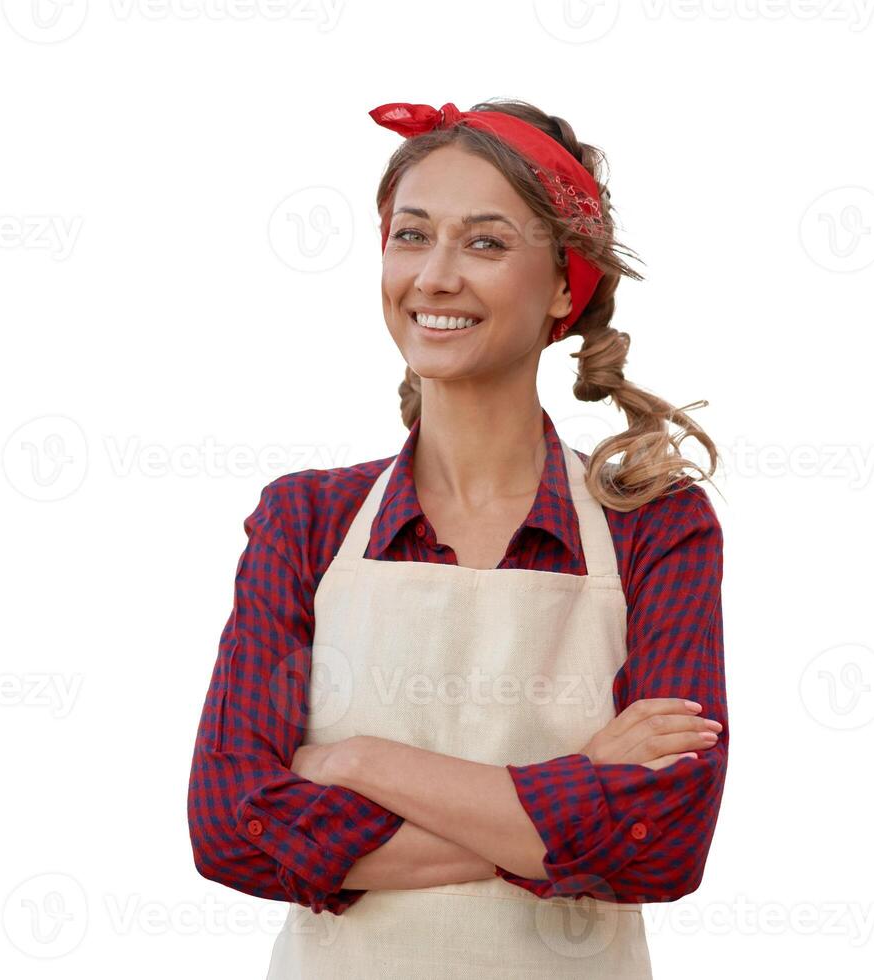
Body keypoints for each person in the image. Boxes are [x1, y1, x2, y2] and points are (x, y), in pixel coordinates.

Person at [187, 99, 728, 979]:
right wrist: (578, 784)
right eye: (411, 236)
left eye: (484, 242)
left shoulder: (655, 526)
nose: (434, 277)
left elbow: (662, 843)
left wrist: (358, 763)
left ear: (564, 283)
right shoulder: (304, 521)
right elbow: (230, 828)